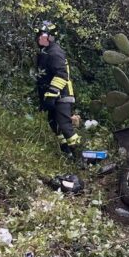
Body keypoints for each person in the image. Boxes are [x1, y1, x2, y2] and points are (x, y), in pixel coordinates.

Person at [35, 21, 81, 156]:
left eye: (42, 36)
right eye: (39, 35)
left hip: (62, 96)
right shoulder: (45, 52)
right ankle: (66, 152)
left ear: (50, 37)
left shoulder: (55, 52)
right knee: (55, 125)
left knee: (65, 126)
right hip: (53, 96)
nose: (39, 38)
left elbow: (61, 74)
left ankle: (79, 154)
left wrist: (51, 94)